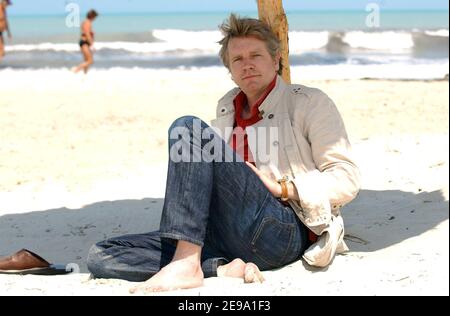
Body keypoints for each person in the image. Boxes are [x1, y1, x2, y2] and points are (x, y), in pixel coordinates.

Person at [87, 14, 361, 293]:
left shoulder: (309, 103)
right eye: (238, 59)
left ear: (276, 60)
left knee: (187, 129)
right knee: (103, 255)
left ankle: (185, 263)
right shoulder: (226, 107)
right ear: (230, 70)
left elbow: (346, 178)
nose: (247, 64)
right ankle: (216, 268)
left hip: (282, 230)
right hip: (224, 235)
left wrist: (282, 188)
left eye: (256, 55)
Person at [72, 9, 98, 74]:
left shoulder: (86, 22)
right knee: (90, 61)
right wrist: (92, 44)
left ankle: (85, 74)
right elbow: (87, 33)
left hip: (85, 42)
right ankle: (75, 71)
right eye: (95, 17)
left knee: (86, 60)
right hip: (84, 43)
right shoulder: (87, 22)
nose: (95, 18)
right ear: (92, 16)